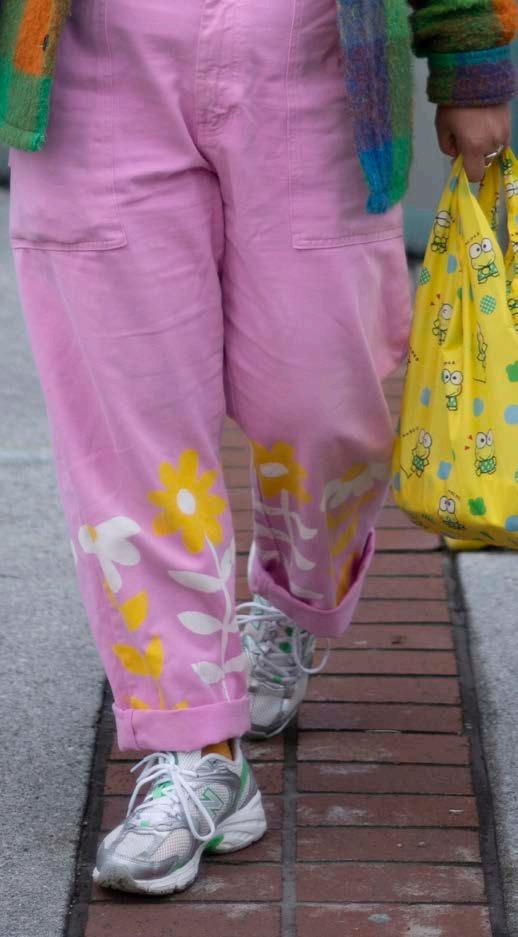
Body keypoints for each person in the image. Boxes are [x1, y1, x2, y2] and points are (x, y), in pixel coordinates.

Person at [0, 0, 515, 897]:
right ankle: (195, 743)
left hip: (312, 55)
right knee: (128, 436)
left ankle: (293, 596)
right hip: (94, 61)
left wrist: (471, 61)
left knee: (324, 403)